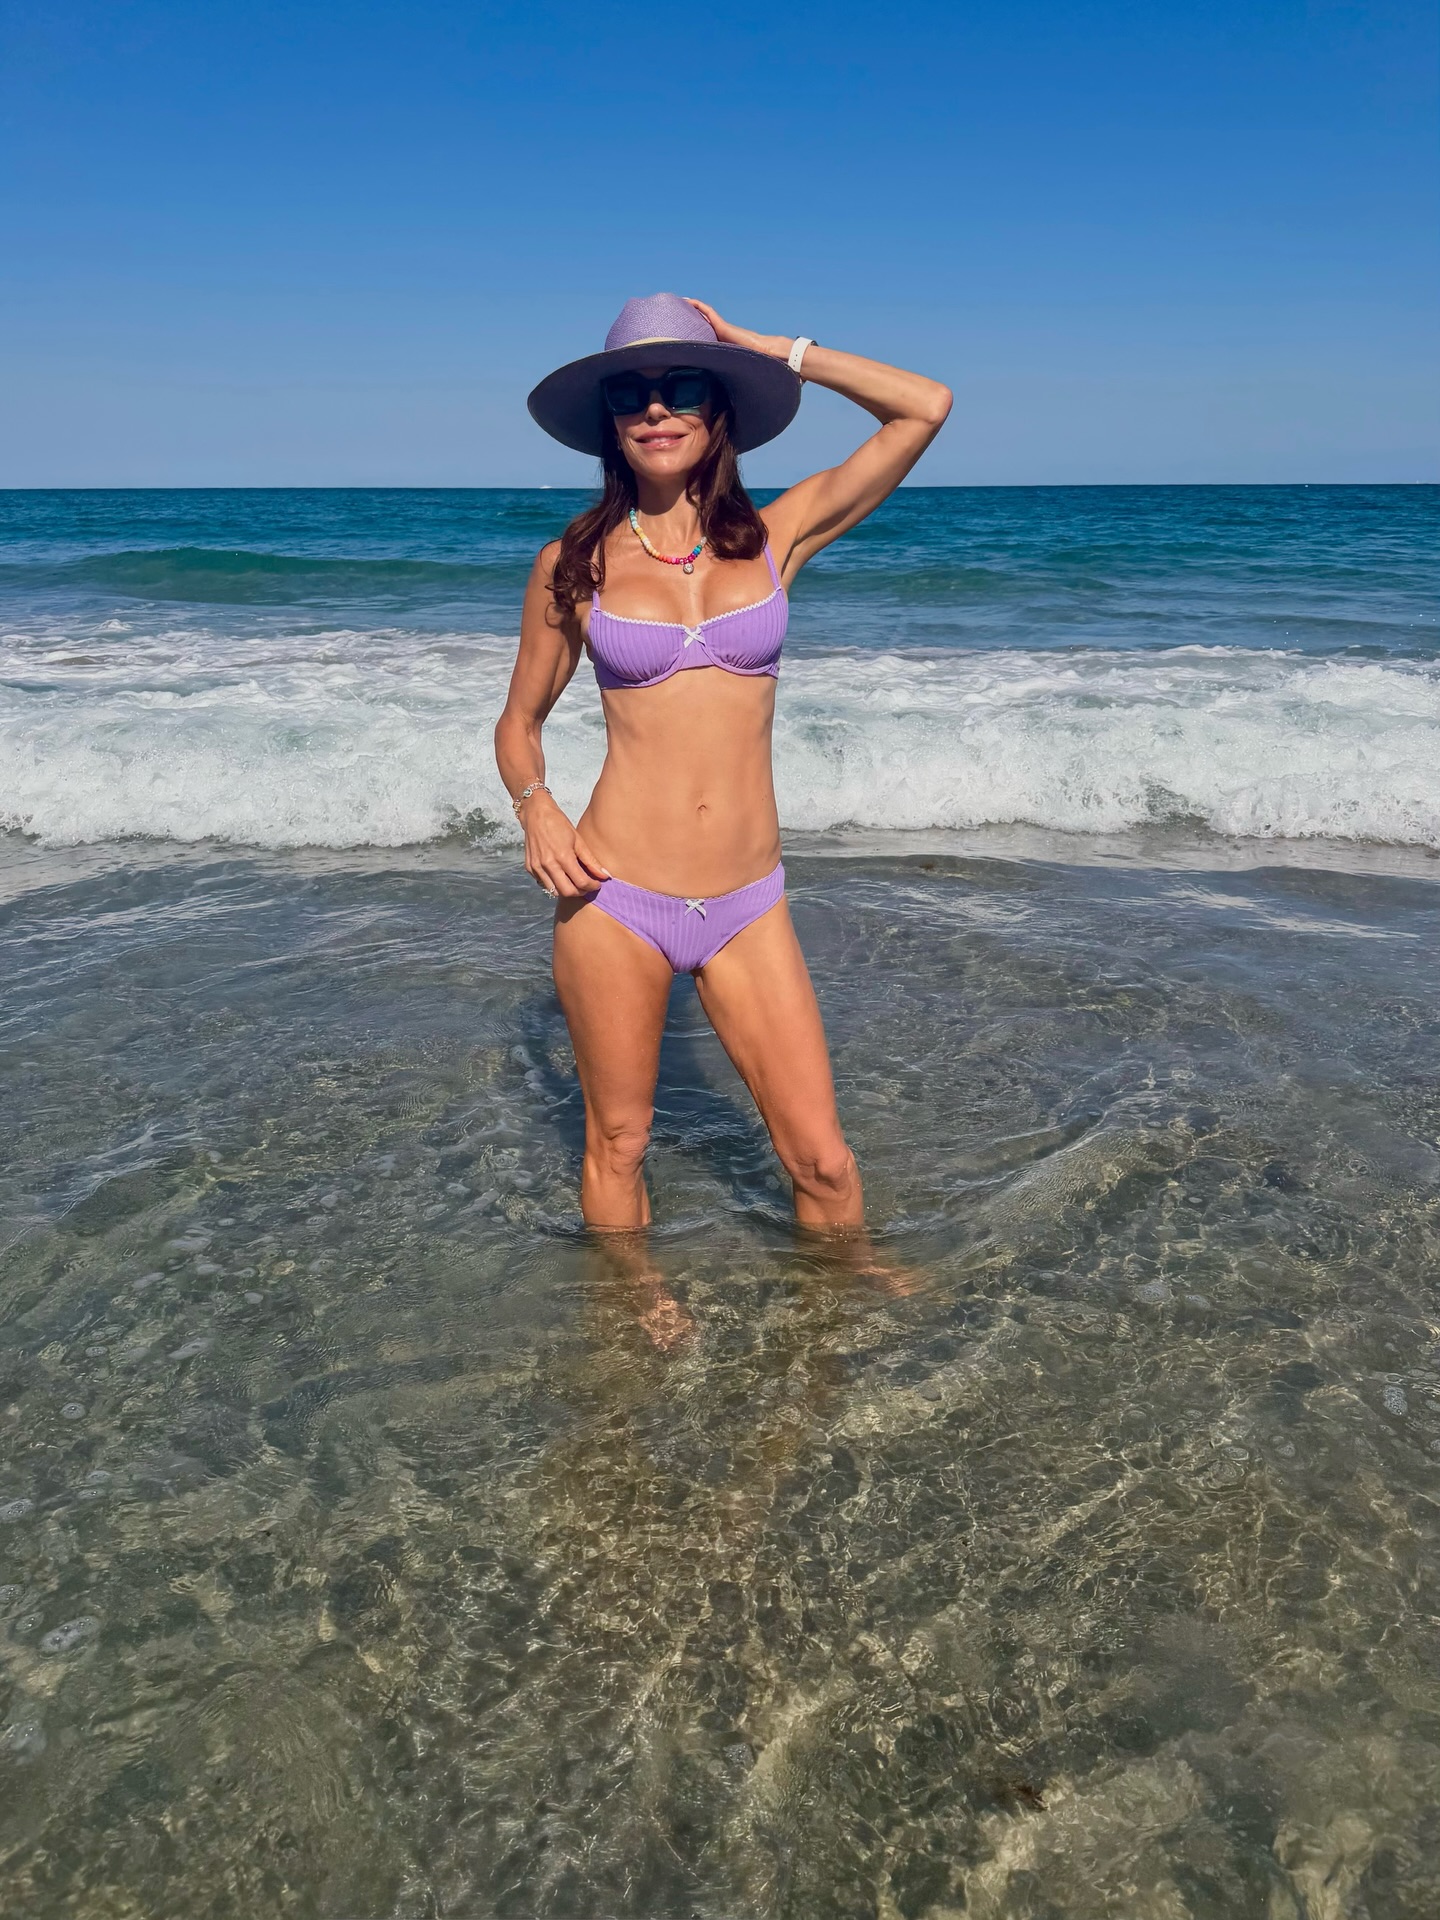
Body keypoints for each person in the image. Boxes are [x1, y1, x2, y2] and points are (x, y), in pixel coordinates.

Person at [496, 292, 950, 1234]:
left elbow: (924, 407)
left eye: (684, 385)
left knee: (821, 1161)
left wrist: (766, 348)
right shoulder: (571, 562)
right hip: (614, 896)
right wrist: (536, 805)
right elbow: (519, 720)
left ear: (721, 409)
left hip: (748, 903)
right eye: (631, 394)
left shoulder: (779, 538)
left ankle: (843, 1319)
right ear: (608, 426)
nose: (656, 410)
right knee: (617, 1143)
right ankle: (624, 1326)